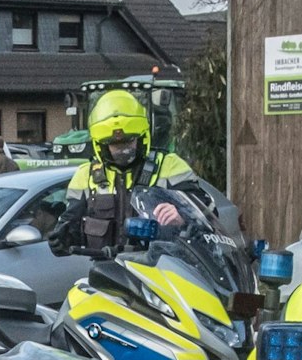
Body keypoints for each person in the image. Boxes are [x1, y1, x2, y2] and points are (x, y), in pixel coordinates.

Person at [49, 90, 210, 253]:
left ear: (142, 137)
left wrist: (182, 214)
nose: (123, 149)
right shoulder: (86, 175)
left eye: (129, 141)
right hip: (105, 271)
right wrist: (63, 239)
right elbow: (71, 223)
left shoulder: (170, 166)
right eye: (115, 144)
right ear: (101, 145)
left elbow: (208, 212)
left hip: (161, 269)